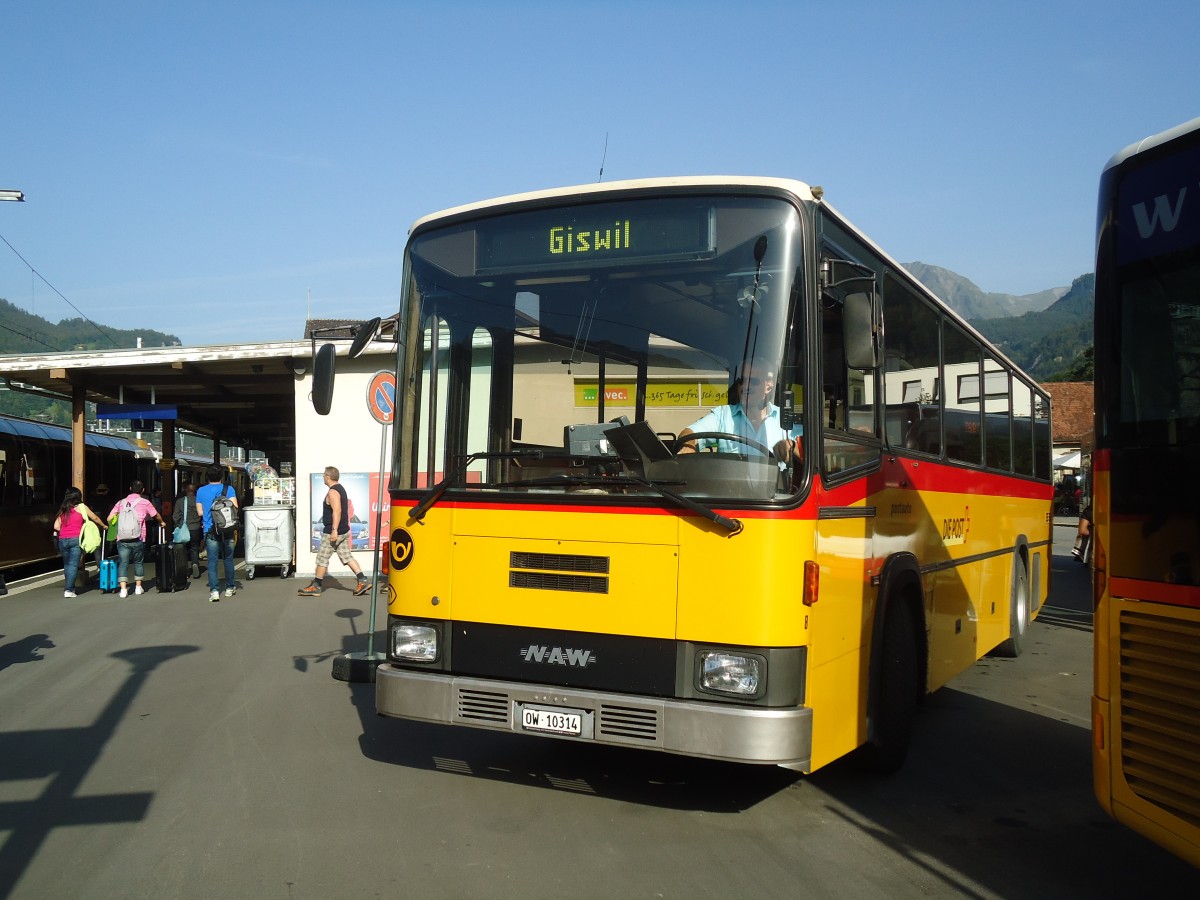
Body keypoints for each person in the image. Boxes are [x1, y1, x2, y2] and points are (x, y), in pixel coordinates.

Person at [676, 357, 802, 465]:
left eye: (753, 381)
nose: (746, 386)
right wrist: (689, 446)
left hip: (776, 491)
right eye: (742, 380)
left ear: (768, 386)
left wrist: (792, 447)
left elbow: (813, 456)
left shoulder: (785, 418)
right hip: (730, 491)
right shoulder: (723, 415)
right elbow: (688, 433)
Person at [298, 466, 369, 596]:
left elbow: (337, 511)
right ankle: (362, 579)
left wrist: (334, 530)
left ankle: (316, 586)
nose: (323, 477)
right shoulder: (340, 489)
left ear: (328, 476)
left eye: (324, 475)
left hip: (334, 532)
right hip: (343, 531)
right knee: (347, 557)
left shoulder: (333, 492)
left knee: (322, 558)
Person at [107, 479, 167, 598]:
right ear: (143, 490)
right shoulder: (145, 502)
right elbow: (156, 515)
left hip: (122, 538)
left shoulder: (120, 502)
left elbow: (109, 518)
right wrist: (162, 522)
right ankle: (138, 587)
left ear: (130, 489)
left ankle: (123, 590)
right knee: (138, 562)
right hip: (139, 537)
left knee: (123, 563)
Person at [52, 487, 107, 598]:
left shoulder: (63, 509)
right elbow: (95, 518)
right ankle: (68, 590)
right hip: (76, 539)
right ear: (78, 496)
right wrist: (103, 525)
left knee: (67, 565)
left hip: (62, 540)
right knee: (73, 565)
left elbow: (56, 526)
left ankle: (71, 588)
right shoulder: (82, 507)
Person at [196, 465, 239, 602]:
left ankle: (214, 591)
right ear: (221, 476)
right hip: (227, 529)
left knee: (212, 562)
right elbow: (235, 508)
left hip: (210, 530)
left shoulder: (201, 491)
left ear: (207, 477)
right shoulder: (229, 489)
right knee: (228, 559)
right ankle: (229, 588)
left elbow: (200, 512)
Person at [173, 481, 203, 579]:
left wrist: (177, 525)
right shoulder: (199, 501)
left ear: (186, 490)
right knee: (194, 547)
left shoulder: (180, 501)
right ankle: (195, 563)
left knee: (183, 549)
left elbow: (176, 516)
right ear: (196, 491)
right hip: (195, 528)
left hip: (183, 528)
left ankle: (184, 570)